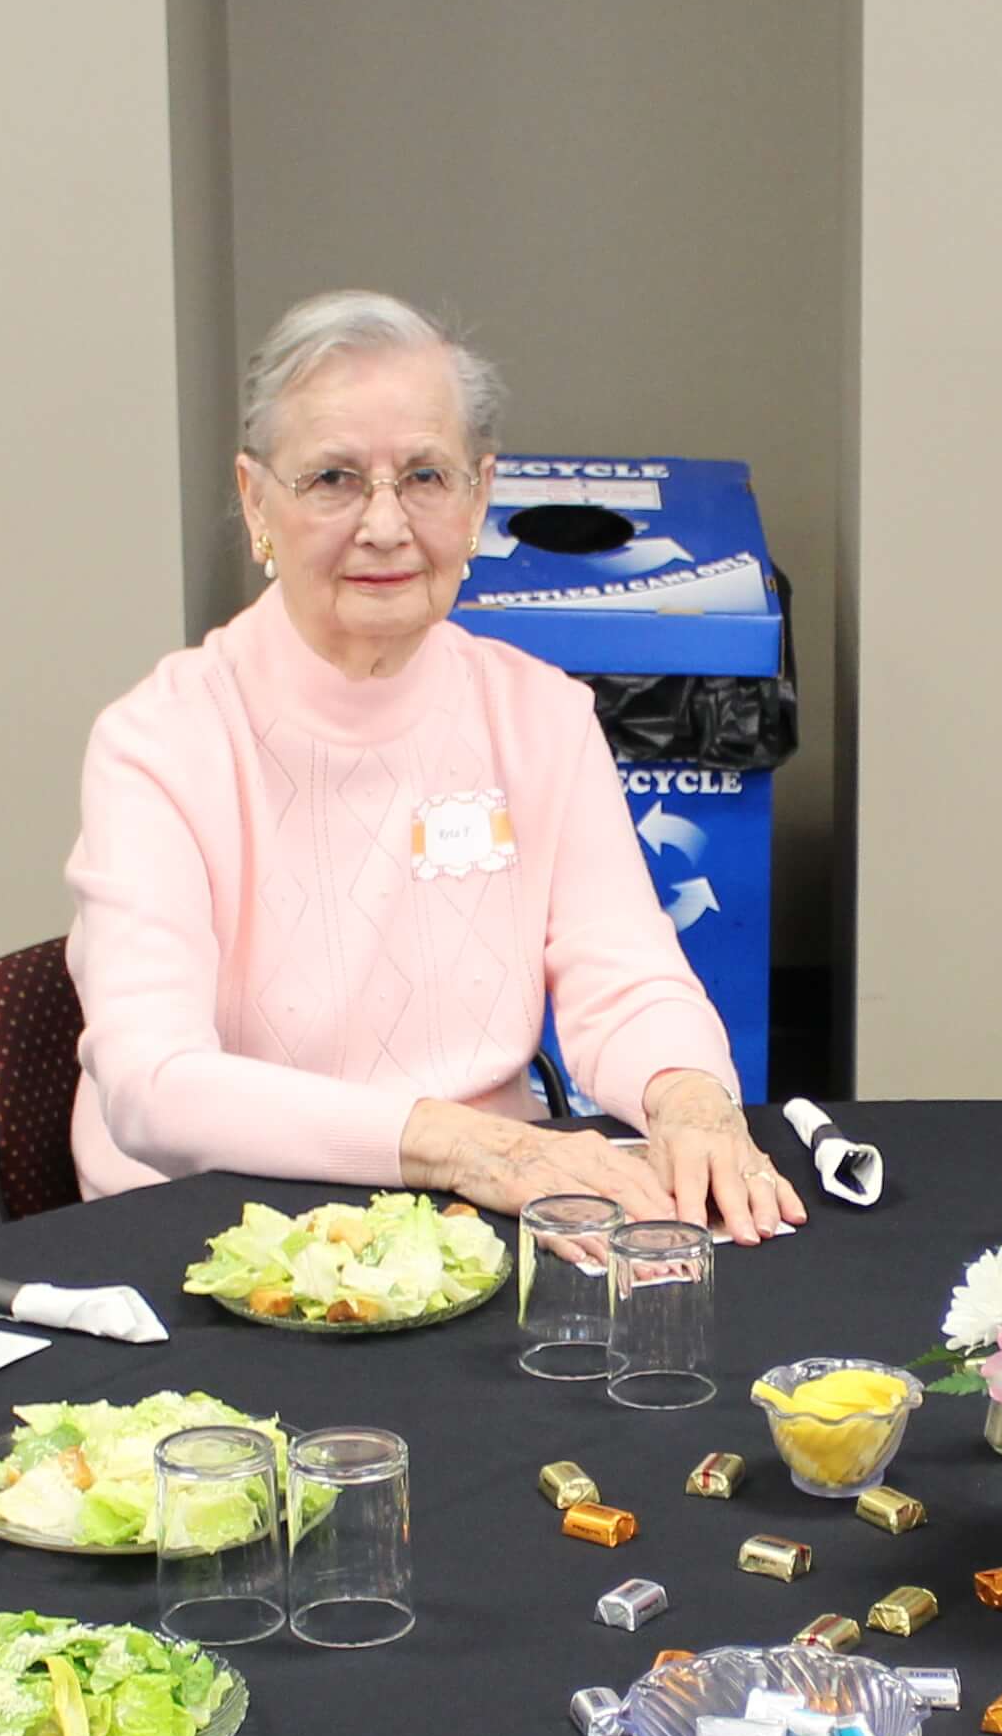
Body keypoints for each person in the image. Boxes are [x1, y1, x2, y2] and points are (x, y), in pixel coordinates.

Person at [66, 290, 798, 1235]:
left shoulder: (539, 714)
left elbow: (626, 981)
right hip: (216, 1233)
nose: (384, 524)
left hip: (476, 1223)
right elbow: (153, 1087)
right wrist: (473, 1145)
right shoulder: (160, 743)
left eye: (425, 477)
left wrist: (691, 1099)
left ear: (479, 495)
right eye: (332, 478)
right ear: (256, 502)